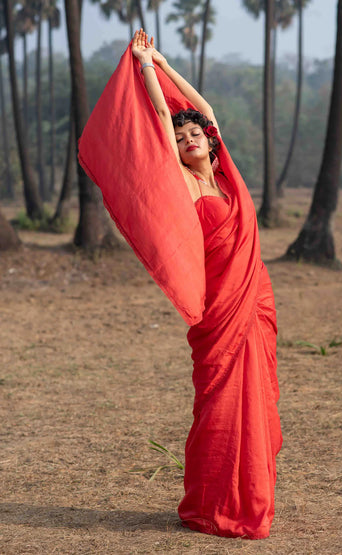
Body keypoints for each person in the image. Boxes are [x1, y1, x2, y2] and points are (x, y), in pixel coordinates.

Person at [80, 29, 282, 540]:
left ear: (209, 140)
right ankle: (213, 504)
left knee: (256, 398)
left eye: (196, 135)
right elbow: (163, 115)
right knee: (220, 403)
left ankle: (250, 493)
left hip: (253, 295)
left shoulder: (225, 175)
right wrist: (146, 67)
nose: (190, 139)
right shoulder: (185, 180)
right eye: (181, 137)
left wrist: (166, 61)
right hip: (219, 306)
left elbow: (203, 106)